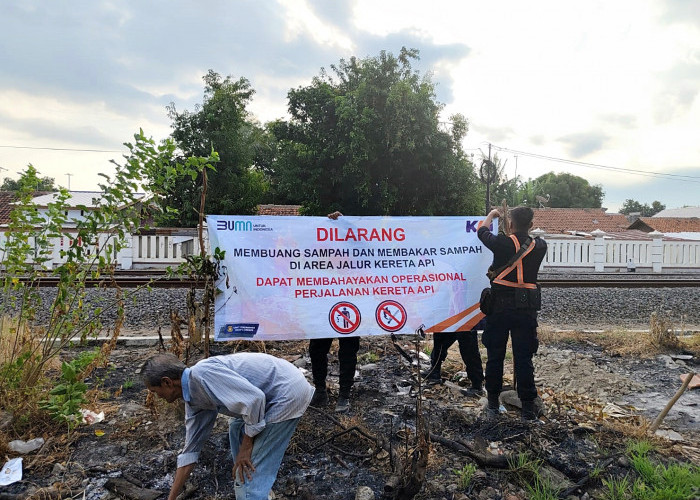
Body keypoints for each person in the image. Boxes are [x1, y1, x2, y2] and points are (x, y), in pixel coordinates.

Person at [141, 352, 314, 500]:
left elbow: (255, 399)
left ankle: (252, 490)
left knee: (246, 484)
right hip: (276, 391)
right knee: (236, 427)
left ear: (167, 382)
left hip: (286, 394)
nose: (158, 397)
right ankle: (258, 486)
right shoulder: (193, 399)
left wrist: (245, 449)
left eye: (155, 392)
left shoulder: (204, 375)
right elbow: (190, 452)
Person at [478, 206, 547, 421]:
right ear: (532, 225)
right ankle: (528, 409)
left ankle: (492, 405)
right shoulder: (540, 246)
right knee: (524, 358)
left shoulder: (502, 243)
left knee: (496, 355)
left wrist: (491, 215)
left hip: (499, 307)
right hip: (526, 310)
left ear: (509, 225)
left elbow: (481, 231)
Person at [309, 210, 360, 413]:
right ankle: (320, 389)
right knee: (317, 349)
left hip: (351, 305)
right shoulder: (321, 249)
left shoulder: (355, 250)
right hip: (323, 303)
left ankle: (344, 395)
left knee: (348, 350)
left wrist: (347, 224)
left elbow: (366, 244)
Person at [424, 318, 486, 395]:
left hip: (464, 314)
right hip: (449, 313)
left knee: (468, 347)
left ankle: (477, 385)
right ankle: (434, 371)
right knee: (440, 338)